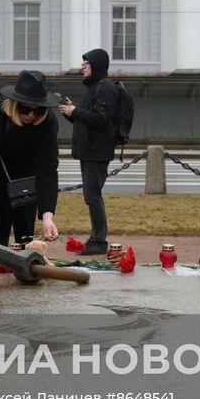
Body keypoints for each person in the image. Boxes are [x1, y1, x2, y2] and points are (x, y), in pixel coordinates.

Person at [0, 70, 61, 247]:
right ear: (13, 103)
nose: (31, 115)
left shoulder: (48, 123)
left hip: (27, 164)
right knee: (2, 205)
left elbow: (48, 168)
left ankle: (23, 248)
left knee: (24, 214)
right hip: (1, 158)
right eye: (25, 109)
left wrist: (47, 216)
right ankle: (0, 248)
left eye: (38, 110)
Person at [60, 49, 121, 255]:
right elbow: (87, 119)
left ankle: (99, 241)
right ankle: (96, 238)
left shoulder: (105, 88)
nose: (82, 67)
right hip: (90, 151)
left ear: (96, 65)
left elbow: (101, 119)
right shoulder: (95, 87)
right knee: (92, 195)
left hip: (97, 151)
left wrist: (75, 111)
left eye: (86, 63)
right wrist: (70, 113)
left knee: (92, 196)